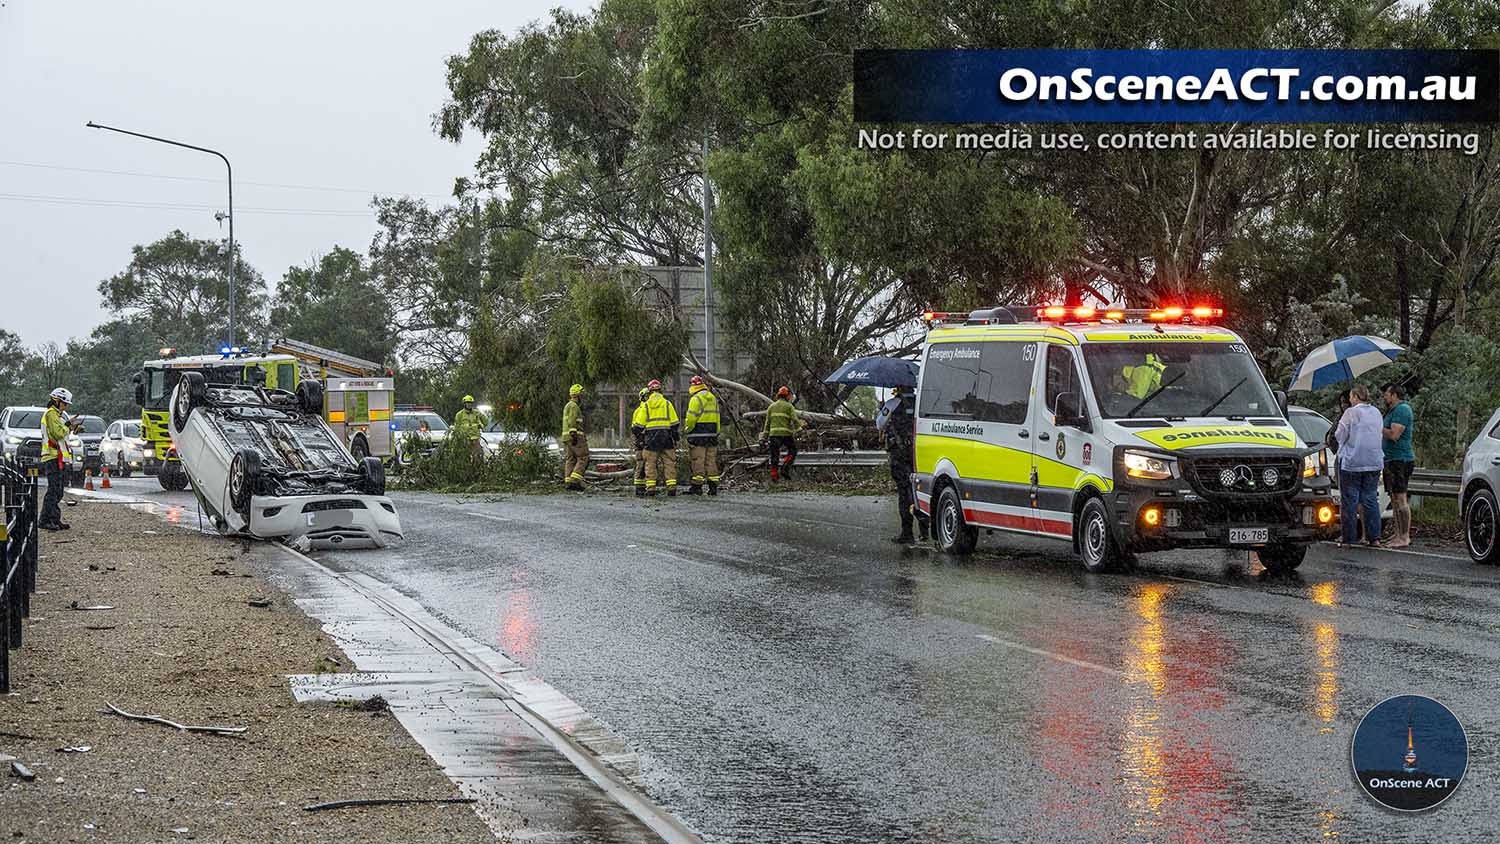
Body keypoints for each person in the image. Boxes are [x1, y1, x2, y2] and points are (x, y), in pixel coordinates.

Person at [1334, 384, 1384, 547]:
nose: (1349, 399)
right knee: (1370, 498)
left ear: (1355, 397)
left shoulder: (1350, 413)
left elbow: (1340, 434)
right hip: (1374, 461)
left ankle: (1349, 537)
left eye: (1350, 396)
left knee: (1349, 500)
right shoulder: (1376, 412)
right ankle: (1374, 536)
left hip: (1352, 462)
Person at [880, 385, 929, 543]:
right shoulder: (922, 402)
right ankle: (925, 531)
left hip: (899, 455)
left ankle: (907, 533)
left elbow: (879, 424)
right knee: (920, 491)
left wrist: (882, 408)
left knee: (904, 493)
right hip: (920, 454)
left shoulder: (893, 403)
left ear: (899, 387)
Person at [1381, 383, 1415, 548]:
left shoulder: (1402, 410)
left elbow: (1394, 435)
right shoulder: (1391, 411)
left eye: (1386, 394)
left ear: (1394, 395)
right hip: (1390, 459)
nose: (1384, 397)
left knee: (1401, 498)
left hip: (1400, 459)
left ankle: (1405, 535)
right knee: (1394, 498)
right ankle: (1397, 534)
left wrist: (1378, 428)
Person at [39, 387, 75, 531]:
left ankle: (53, 519)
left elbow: (62, 433)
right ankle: (46, 520)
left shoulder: (57, 415)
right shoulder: (51, 414)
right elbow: (58, 433)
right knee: (53, 490)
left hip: (58, 457)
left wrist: (72, 428)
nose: (65, 406)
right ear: (57, 401)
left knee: (58, 490)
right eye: (64, 404)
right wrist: (67, 426)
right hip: (52, 456)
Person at [683, 375, 721, 496]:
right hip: (712, 435)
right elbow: (717, 417)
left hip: (698, 435)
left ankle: (697, 487)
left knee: (697, 460)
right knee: (711, 461)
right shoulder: (713, 398)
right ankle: (713, 487)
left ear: (694, 385)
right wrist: (717, 432)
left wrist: (687, 429)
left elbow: (691, 418)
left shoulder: (696, 399)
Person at [641, 379, 679, 496]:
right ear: (660, 390)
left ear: (650, 391)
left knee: (650, 464)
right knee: (669, 463)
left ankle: (651, 488)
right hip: (666, 437)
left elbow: (638, 425)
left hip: (651, 439)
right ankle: (671, 488)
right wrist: (675, 437)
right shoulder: (667, 404)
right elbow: (675, 423)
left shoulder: (646, 405)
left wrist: (639, 438)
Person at [761, 386, 801, 481]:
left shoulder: (771, 407)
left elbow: (767, 423)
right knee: (793, 450)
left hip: (774, 435)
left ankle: (774, 476)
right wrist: (799, 430)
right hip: (786, 434)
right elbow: (794, 419)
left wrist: (764, 436)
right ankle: (785, 468)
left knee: (774, 455)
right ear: (787, 396)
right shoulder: (789, 406)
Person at [561, 384, 590, 491]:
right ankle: (575, 481)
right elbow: (572, 421)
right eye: (582, 394)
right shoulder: (574, 406)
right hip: (575, 436)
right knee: (583, 457)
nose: (583, 396)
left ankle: (568, 481)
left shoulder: (567, 405)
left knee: (571, 459)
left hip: (566, 438)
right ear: (578, 395)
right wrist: (574, 435)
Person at [630, 387, 649, 498]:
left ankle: (644, 487)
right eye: (646, 396)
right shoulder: (639, 410)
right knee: (641, 464)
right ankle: (639, 488)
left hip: (645, 440)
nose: (648, 398)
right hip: (642, 440)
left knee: (646, 464)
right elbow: (635, 428)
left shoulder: (646, 409)